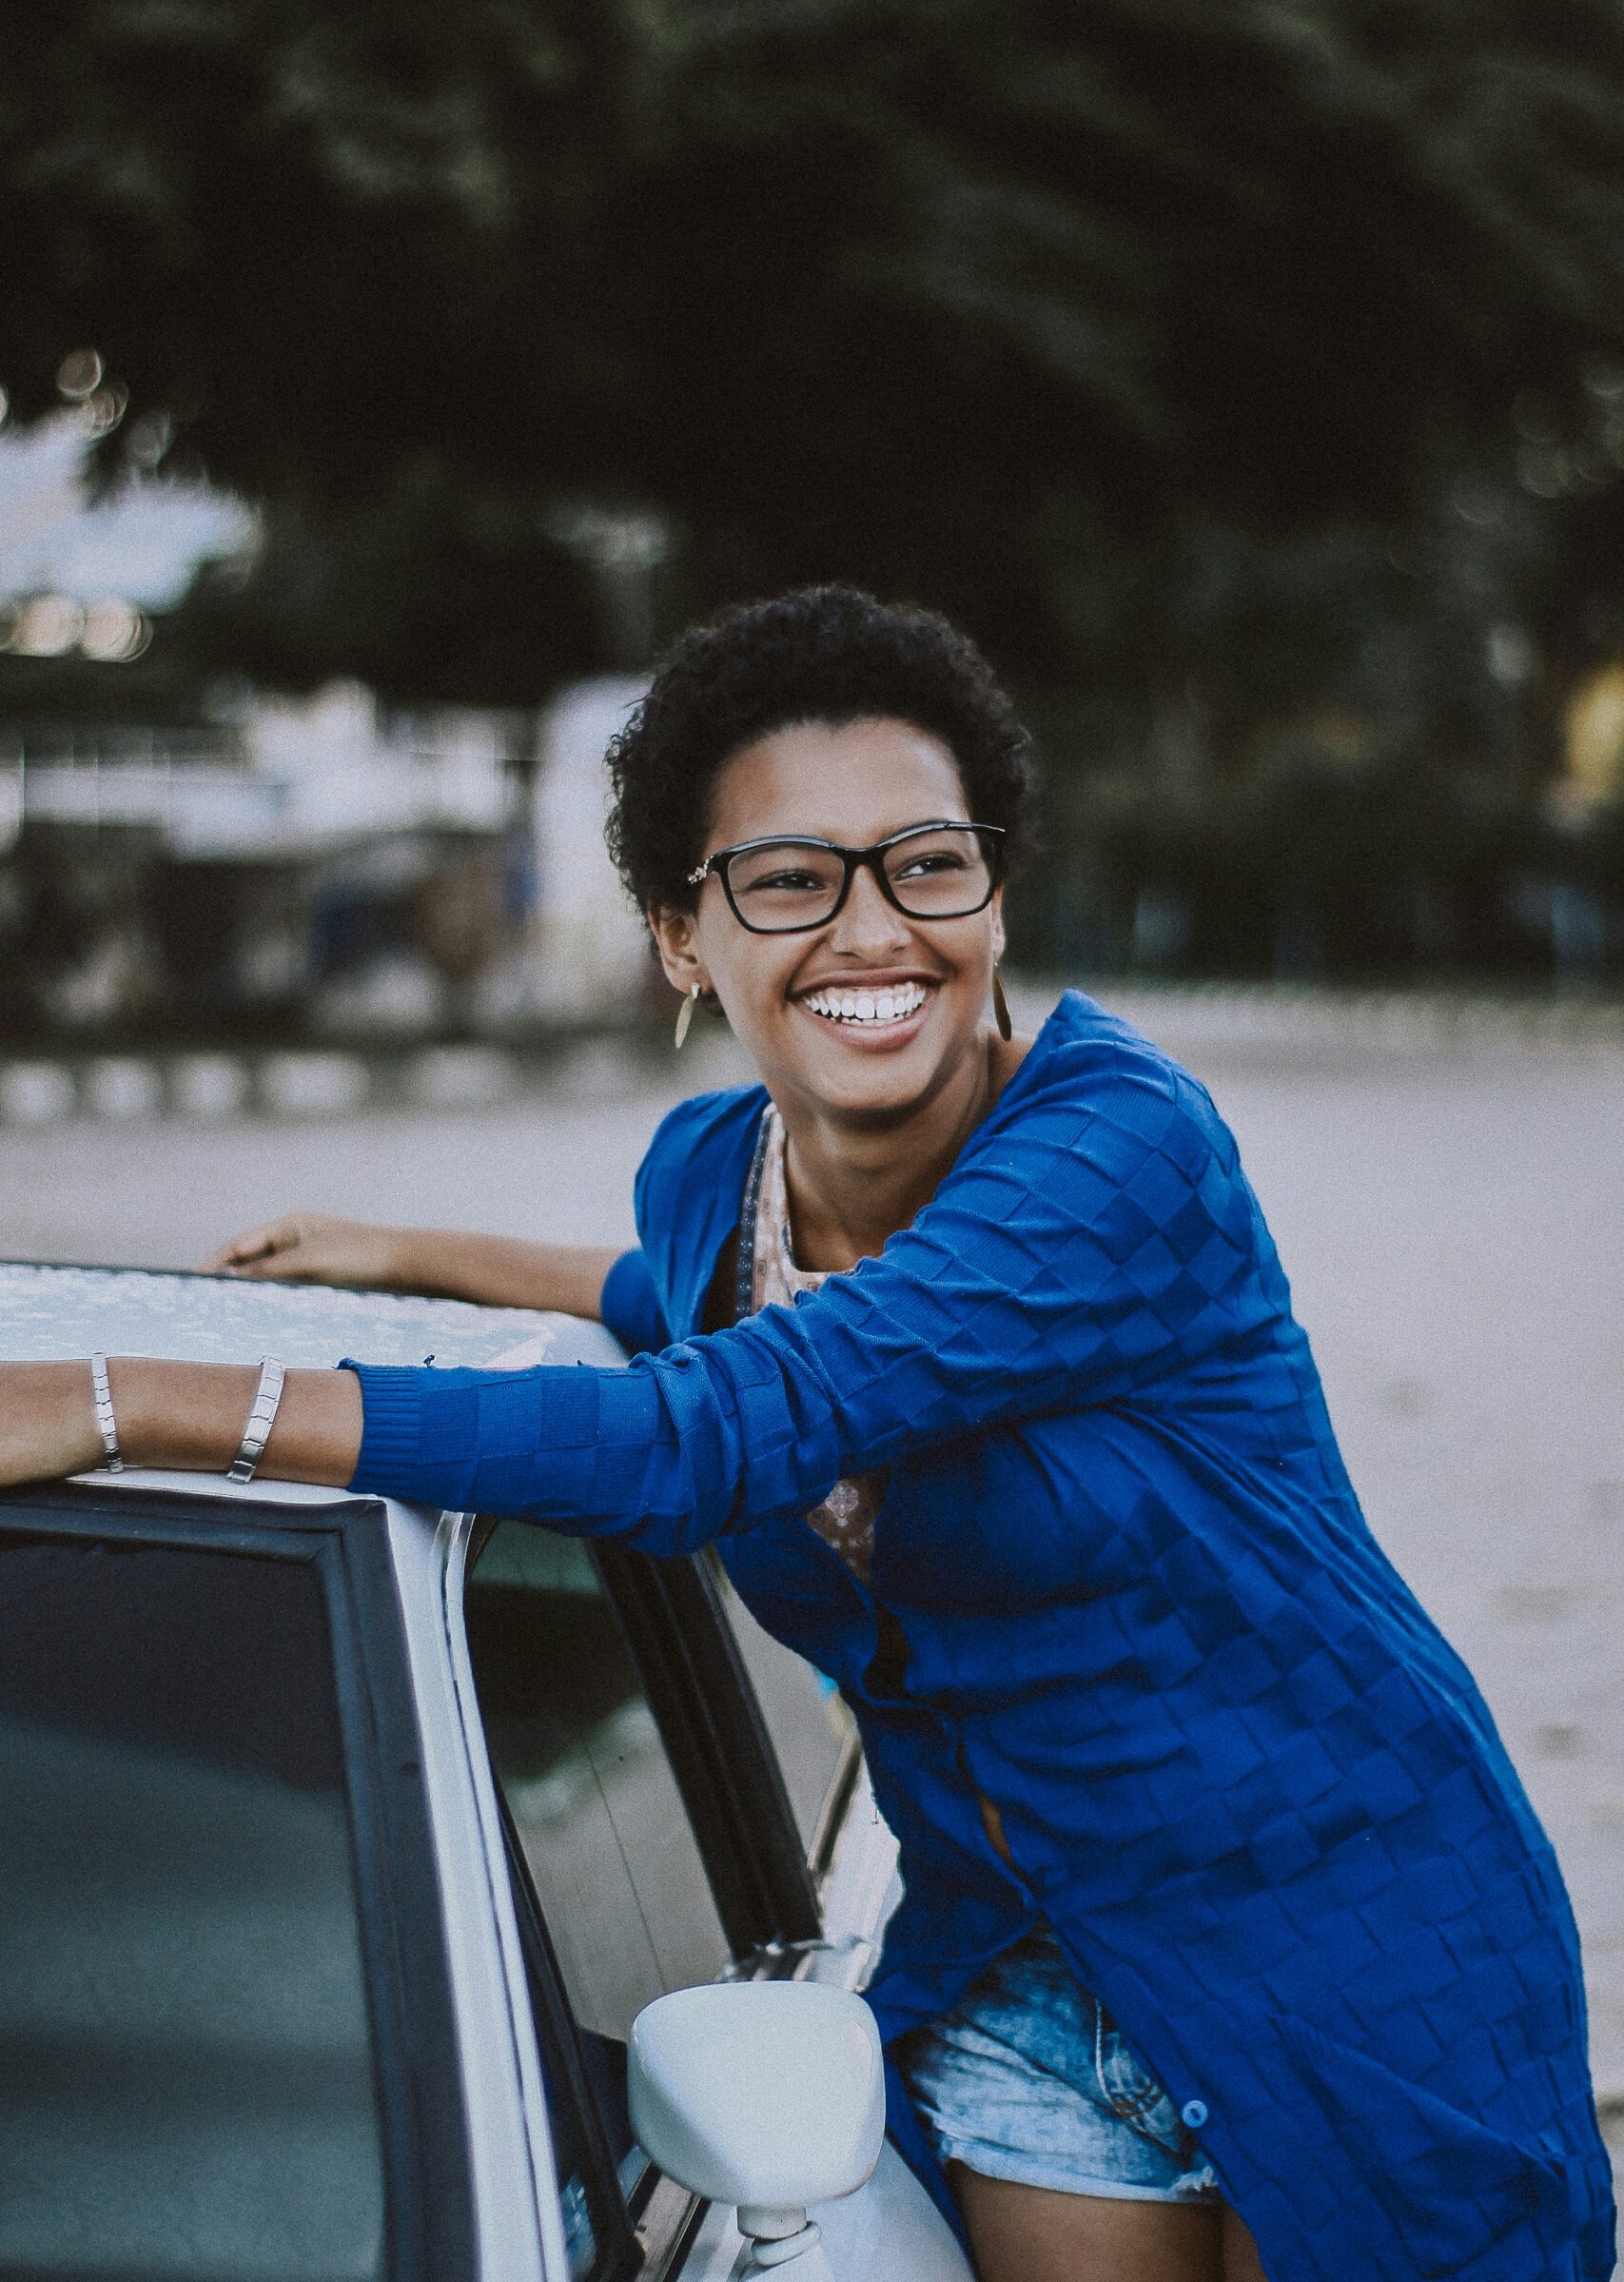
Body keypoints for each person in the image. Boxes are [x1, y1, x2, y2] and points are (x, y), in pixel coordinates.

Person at [1, 586, 1612, 2282]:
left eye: (927, 860)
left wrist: (126, 1396)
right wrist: (407, 1251)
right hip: (1025, 1976)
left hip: (1345, 1935)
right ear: (680, 934)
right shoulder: (707, 1183)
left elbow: (720, 1426)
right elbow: (709, 1303)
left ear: (995, 889)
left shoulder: (1122, 1152)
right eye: (787, 879)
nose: (870, 929)